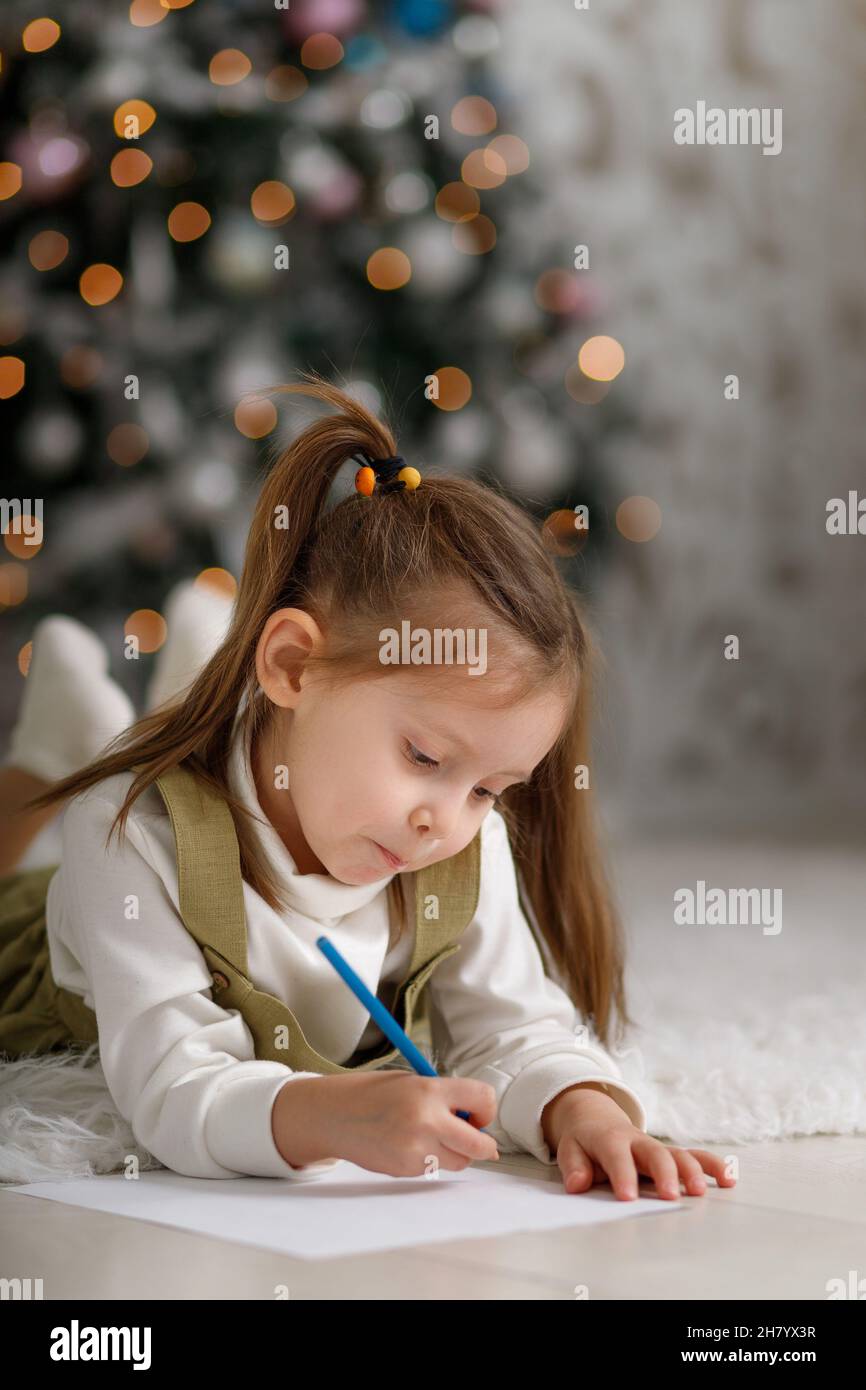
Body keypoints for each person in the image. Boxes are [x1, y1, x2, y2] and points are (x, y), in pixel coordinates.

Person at [0, 372, 732, 1200]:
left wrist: (586, 1111)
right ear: (291, 665)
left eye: (492, 788)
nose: (445, 823)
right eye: (424, 757)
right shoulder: (130, 834)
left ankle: (182, 683)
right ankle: (59, 759)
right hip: (40, 931)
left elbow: (515, 1027)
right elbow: (171, 1086)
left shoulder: (459, 836)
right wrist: (331, 1117)